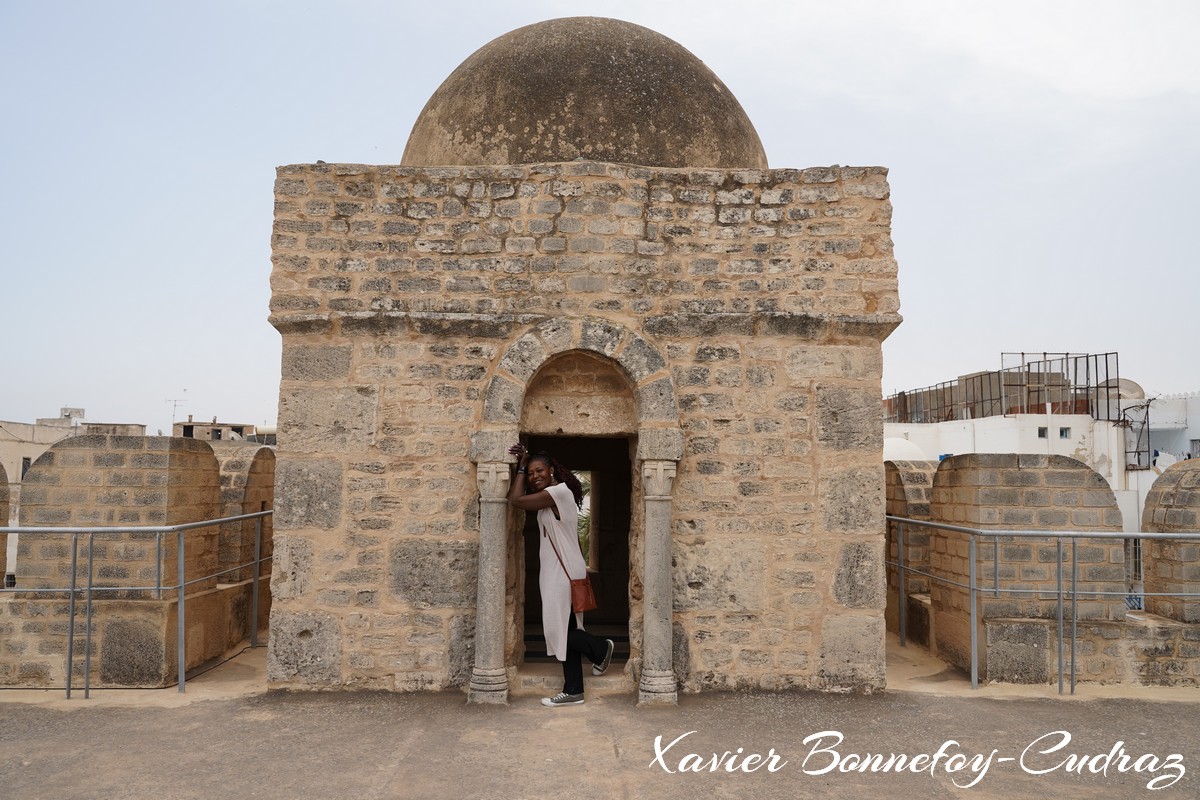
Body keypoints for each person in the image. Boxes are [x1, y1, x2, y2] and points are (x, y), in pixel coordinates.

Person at [507, 443, 614, 707]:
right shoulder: (550, 498)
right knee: (565, 629)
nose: (534, 476)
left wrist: (520, 467)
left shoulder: (558, 492)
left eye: (538, 470)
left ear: (552, 471)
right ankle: (574, 690)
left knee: (558, 631)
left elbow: (516, 500)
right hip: (560, 569)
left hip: (562, 572)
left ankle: (601, 648)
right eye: (530, 473)